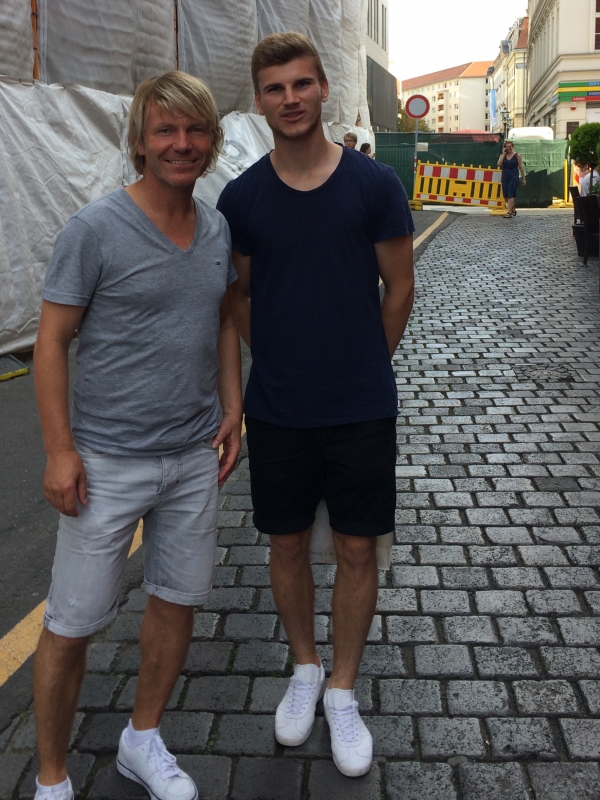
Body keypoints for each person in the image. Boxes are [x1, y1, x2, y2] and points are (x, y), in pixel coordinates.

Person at [32, 71, 241, 800]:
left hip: (193, 457)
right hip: (105, 463)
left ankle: (141, 739)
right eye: (165, 130)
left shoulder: (216, 228)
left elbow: (222, 320)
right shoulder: (94, 229)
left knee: (176, 602)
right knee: (71, 624)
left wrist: (234, 407)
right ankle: (51, 778)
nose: (182, 143)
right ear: (141, 143)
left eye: (195, 129)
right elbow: (51, 341)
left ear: (212, 140)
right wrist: (60, 450)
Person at [217, 32, 414, 778]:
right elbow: (240, 297)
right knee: (288, 544)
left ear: (325, 88)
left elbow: (400, 287)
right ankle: (305, 666)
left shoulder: (373, 185)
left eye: (302, 84)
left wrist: (363, 362)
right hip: (279, 408)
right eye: (275, 88)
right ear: (260, 100)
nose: (290, 98)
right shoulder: (242, 198)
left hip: (361, 405)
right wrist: (277, 358)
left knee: (358, 549)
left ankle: (342, 688)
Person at [498, 140, 526, 217]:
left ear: (512, 147)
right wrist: (504, 154)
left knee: (511, 194)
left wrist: (523, 178)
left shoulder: (517, 155)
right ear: (505, 148)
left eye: (510, 147)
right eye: (507, 147)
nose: (508, 148)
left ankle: (509, 212)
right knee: (505, 196)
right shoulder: (502, 156)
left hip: (513, 176)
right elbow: (499, 164)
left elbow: (521, 167)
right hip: (505, 176)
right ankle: (512, 207)